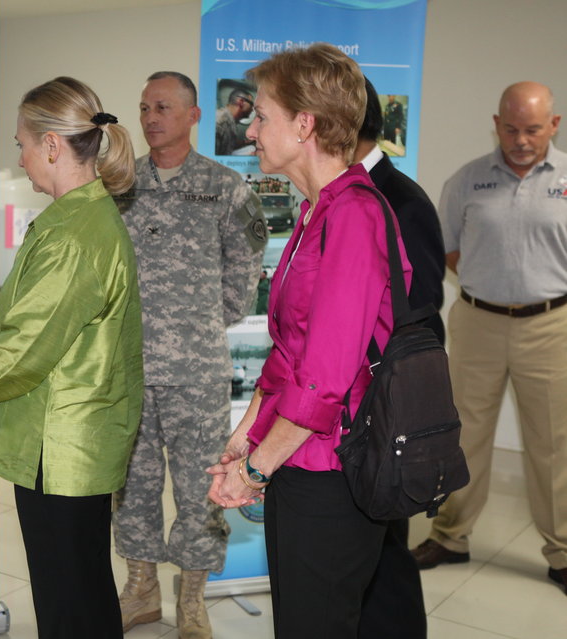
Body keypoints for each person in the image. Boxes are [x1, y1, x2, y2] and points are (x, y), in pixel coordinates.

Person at [206, 43, 413, 638]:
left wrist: (257, 469)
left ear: (305, 124)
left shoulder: (353, 215)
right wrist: (245, 438)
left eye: (262, 115)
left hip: (332, 472)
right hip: (299, 457)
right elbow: (288, 355)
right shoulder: (317, 211)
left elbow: (325, 376)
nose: (250, 128)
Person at [0, 76, 143, 638]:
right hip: (71, 437)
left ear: (53, 146)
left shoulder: (75, 233)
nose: (20, 158)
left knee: (69, 597)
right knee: (81, 586)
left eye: (21, 144)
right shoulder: (82, 218)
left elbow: (26, 343)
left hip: (60, 444)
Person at [113, 70, 267, 639]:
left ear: (195, 115)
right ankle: (141, 588)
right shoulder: (119, 188)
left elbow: (241, 285)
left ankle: (194, 597)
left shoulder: (227, 189)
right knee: (131, 485)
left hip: (196, 371)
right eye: (144, 106)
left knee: (203, 487)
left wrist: (190, 326)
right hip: (127, 370)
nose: (151, 117)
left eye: (164, 106)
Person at [412, 81, 567, 596]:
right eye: (512, 129)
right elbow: (449, 250)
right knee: (464, 435)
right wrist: (494, 281)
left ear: (554, 125)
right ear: (496, 124)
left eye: (533, 129)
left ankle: (562, 551)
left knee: (552, 444)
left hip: (551, 327)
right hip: (479, 320)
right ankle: (451, 537)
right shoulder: (468, 180)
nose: (521, 140)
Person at [352, 76, 445, 639]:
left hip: (383, 410)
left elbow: (419, 317)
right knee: (361, 556)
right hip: (351, 412)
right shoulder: (338, 196)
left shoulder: (401, 200)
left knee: (386, 554)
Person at [216, 88, 254, 155]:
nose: (252, 110)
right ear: (241, 102)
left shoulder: (231, 121)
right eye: (251, 104)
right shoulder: (219, 122)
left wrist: (245, 142)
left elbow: (228, 144)